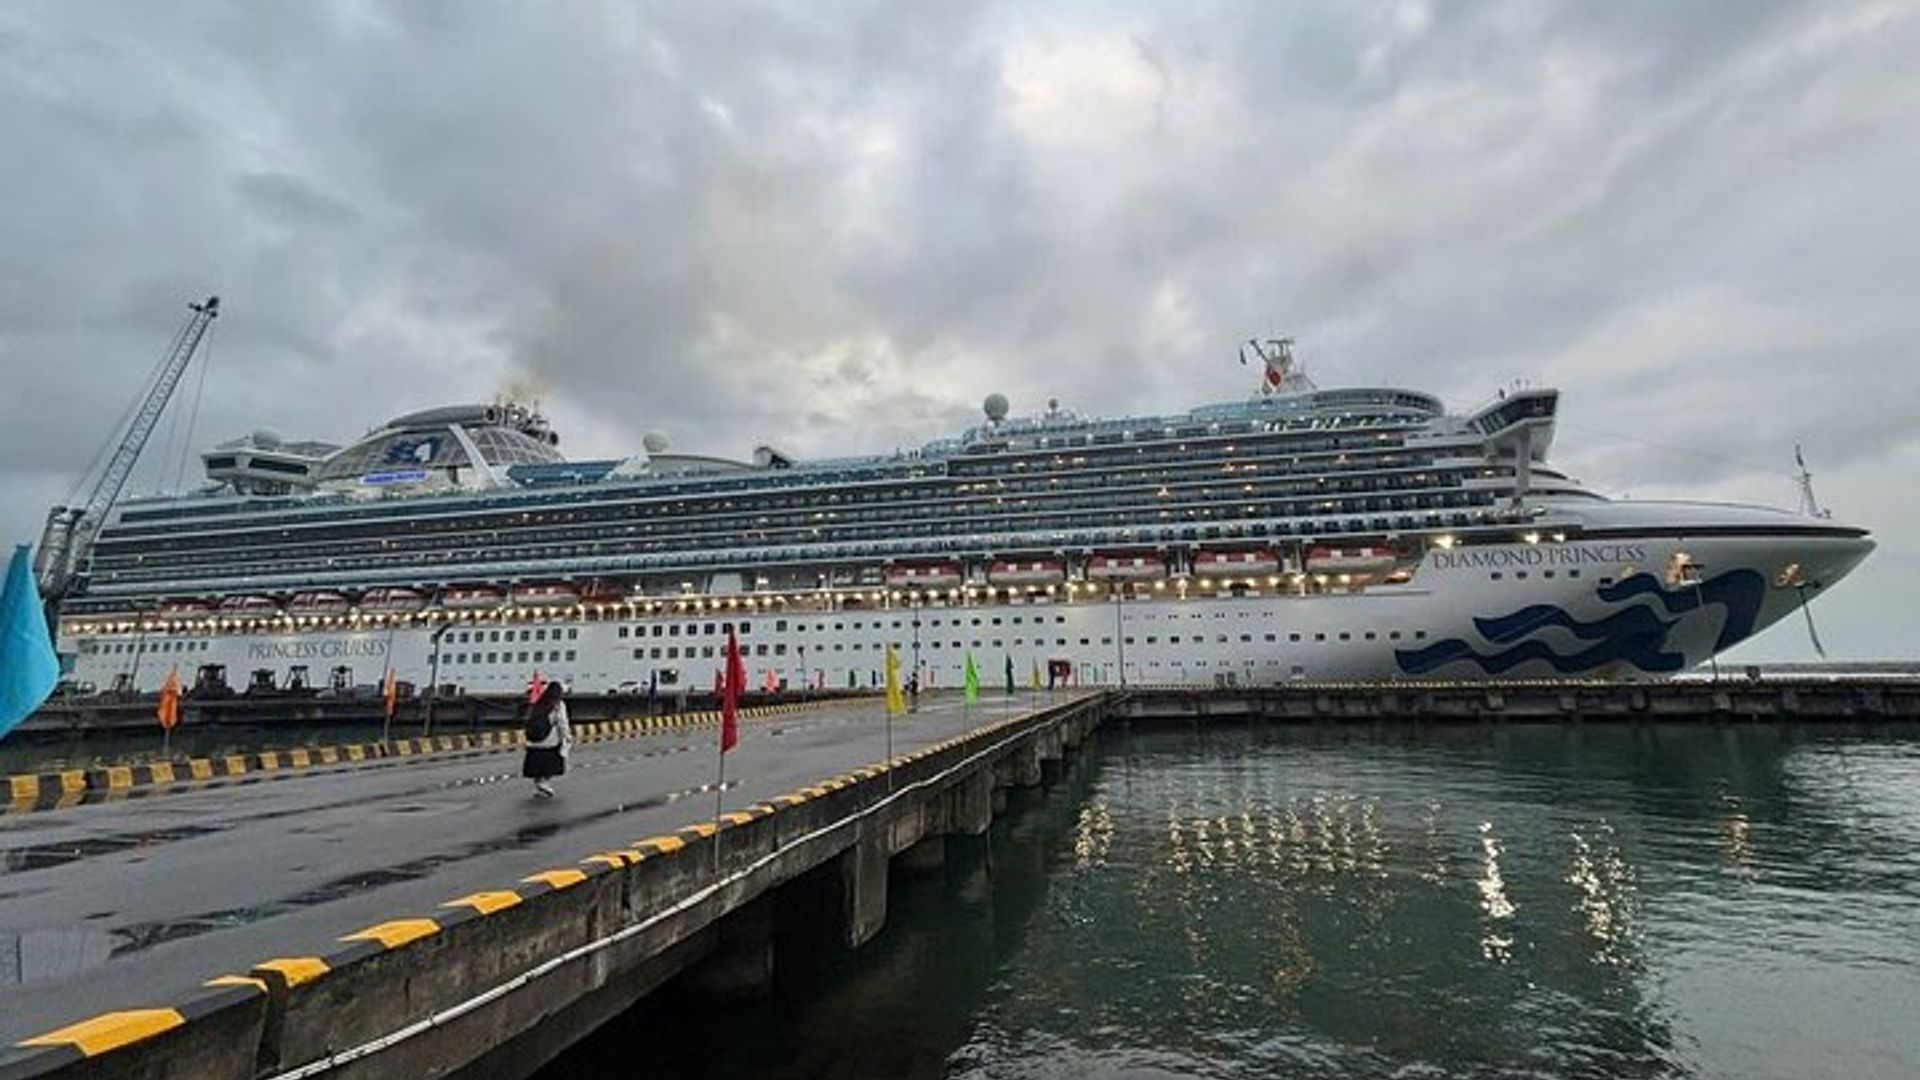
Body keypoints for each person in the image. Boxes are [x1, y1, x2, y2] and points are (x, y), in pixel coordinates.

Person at [522, 681, 572, 798]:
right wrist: (567, 738)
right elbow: (562, 724)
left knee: (536, 766)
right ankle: (544, 784)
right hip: (549, 742)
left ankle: (539, 785)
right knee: (551, 765)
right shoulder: (558, 705)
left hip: (534, 742)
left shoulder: (539, 702)